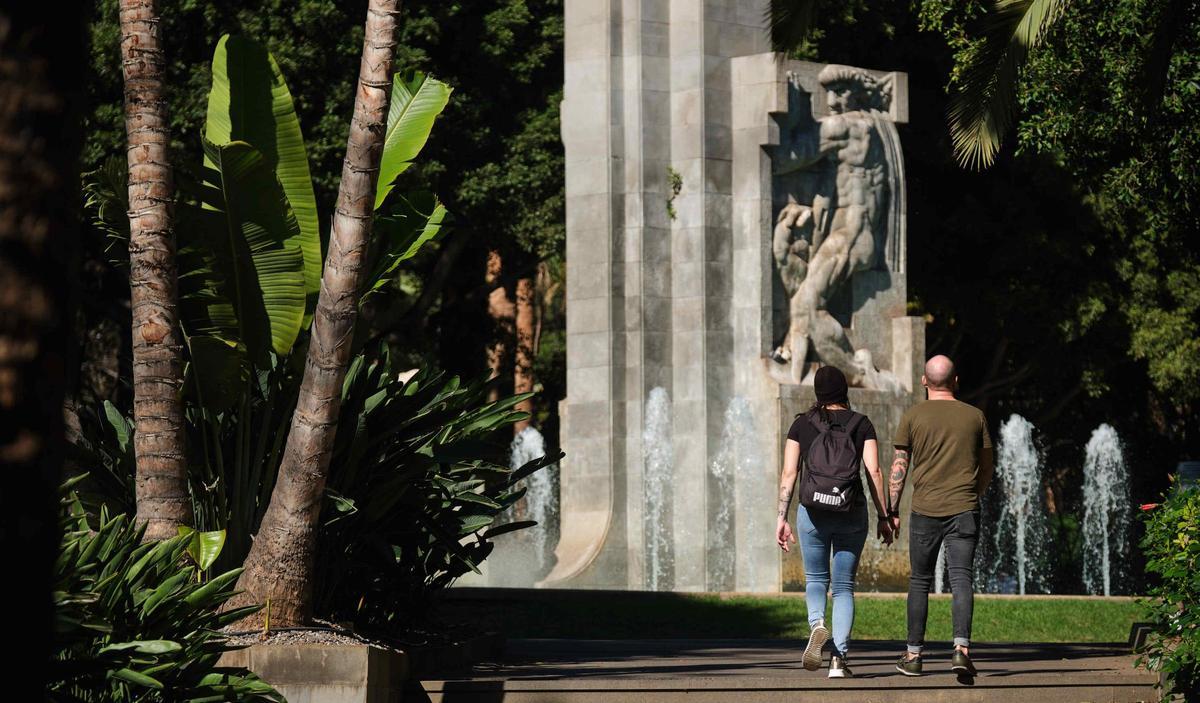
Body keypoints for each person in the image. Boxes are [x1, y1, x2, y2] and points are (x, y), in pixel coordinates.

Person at [776, 365, 892, 678]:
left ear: (817, 393)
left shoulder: (801, 424)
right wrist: (885, 516)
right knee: (843, 588)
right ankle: (839, 661)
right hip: (850, 511)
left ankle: (817, 625)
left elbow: (789, 473)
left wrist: (781, 517)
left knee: (816, 579)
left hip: (812, 512)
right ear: (844, 391)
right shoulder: (861, 423)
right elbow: (875, 473)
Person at [887, 355, 994, 677]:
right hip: (964, 508)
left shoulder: (913, 415)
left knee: (919, 581)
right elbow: (987, 465)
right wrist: (973, 494)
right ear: (955, 381)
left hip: (924, 510)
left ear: (924, 381)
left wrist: (891, 510)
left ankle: (914, 656)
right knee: (961, 578)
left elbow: (899, 467)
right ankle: (961, 650)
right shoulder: (975, 416)